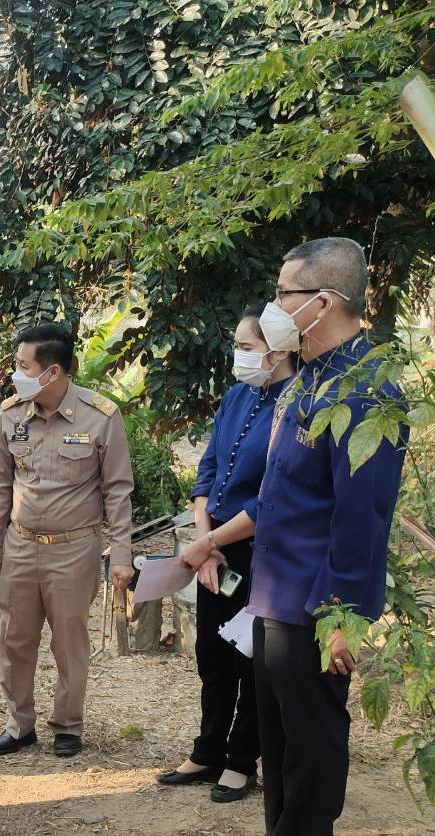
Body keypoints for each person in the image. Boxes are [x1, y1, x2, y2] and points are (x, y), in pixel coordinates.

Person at [232, 237, 407, 836]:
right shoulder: (310, 375)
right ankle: (283, 828)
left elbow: (360, 518)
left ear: (321, 302)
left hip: (316, 596)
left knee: (311, 726)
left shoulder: (366, 392)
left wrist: (344, 616)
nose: (273, 307)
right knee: (275, 722)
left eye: (283, 295)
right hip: (275, 587)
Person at [156, 307, 296, 802]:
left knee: (250, 661)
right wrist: (205, 544)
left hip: (263, 557)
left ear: (277, 351)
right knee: (211, 656)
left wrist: (210, 543)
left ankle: (242, 760)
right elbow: (208, 473)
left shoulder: (295, 406)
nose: (237, 355)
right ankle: (207, 749)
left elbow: (273, 498)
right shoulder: (236, 395)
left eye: (246, 346)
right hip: (214, 551)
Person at [0, 323, 134, 759]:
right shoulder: (11, 414)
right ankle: (19, 724)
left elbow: (118, 489)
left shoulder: (100, 416)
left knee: (69, 641)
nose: (16, 373)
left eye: (23, 366)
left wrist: (121, 555)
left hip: (74, 548)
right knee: (15, 638)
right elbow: (0, 483)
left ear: (52, 372)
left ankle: (68, 724)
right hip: (20, 545)